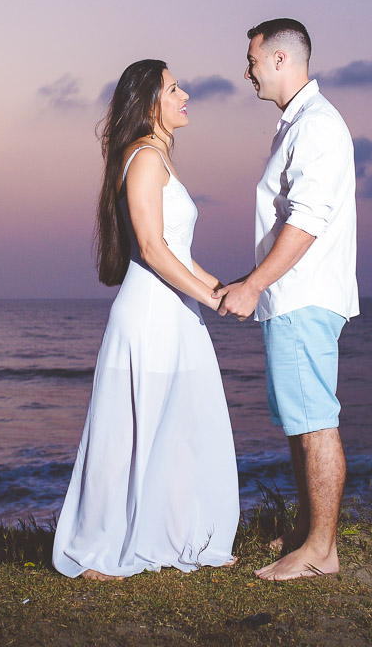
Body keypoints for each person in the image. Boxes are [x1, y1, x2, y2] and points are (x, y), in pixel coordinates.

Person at [52, 59, 239, 579]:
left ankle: (177, 536)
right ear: (150, 102)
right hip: (151, 314)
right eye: (174, 88)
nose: (185, 95)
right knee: (132, 433)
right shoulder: (145, 159)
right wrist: (213, 298)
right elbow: (153, 250)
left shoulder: (158, 157)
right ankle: (101, 547)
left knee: (178, 427)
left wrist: (226, 291)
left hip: (176, 311)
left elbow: (178, 251)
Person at [214, 19, 359, 581]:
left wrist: (254, 285)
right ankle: (307, 534)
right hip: (293, 296)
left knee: (315, 421)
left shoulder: (316, 125)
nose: (246, 71)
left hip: (304, 295)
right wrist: (254, 281)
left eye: (252, 60)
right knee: (301, 420)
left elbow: (307, 221)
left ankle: (321, 552)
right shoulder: (298, 124)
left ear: (280, 59)